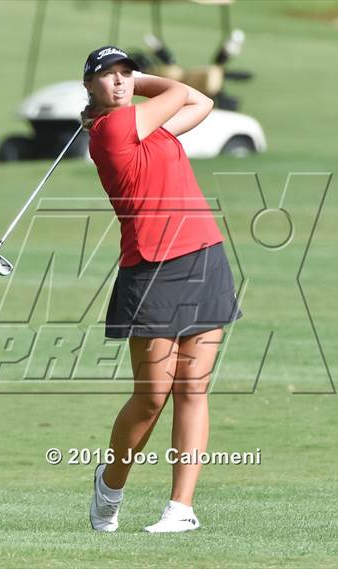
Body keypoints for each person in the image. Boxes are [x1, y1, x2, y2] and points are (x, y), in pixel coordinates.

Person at [81, 45, 243, 533]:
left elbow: (202, 103)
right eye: (107, 76)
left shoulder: (148, 129)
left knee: (193, 387)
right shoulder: (111, 130)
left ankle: (180, 509)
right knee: (153, 395)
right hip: (152, 269)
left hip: (203, 256)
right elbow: (177, 90)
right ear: (88, 87)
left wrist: (132, 82)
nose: (120, 82)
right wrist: (145, 82)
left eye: (125, 73)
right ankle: (110, 486)